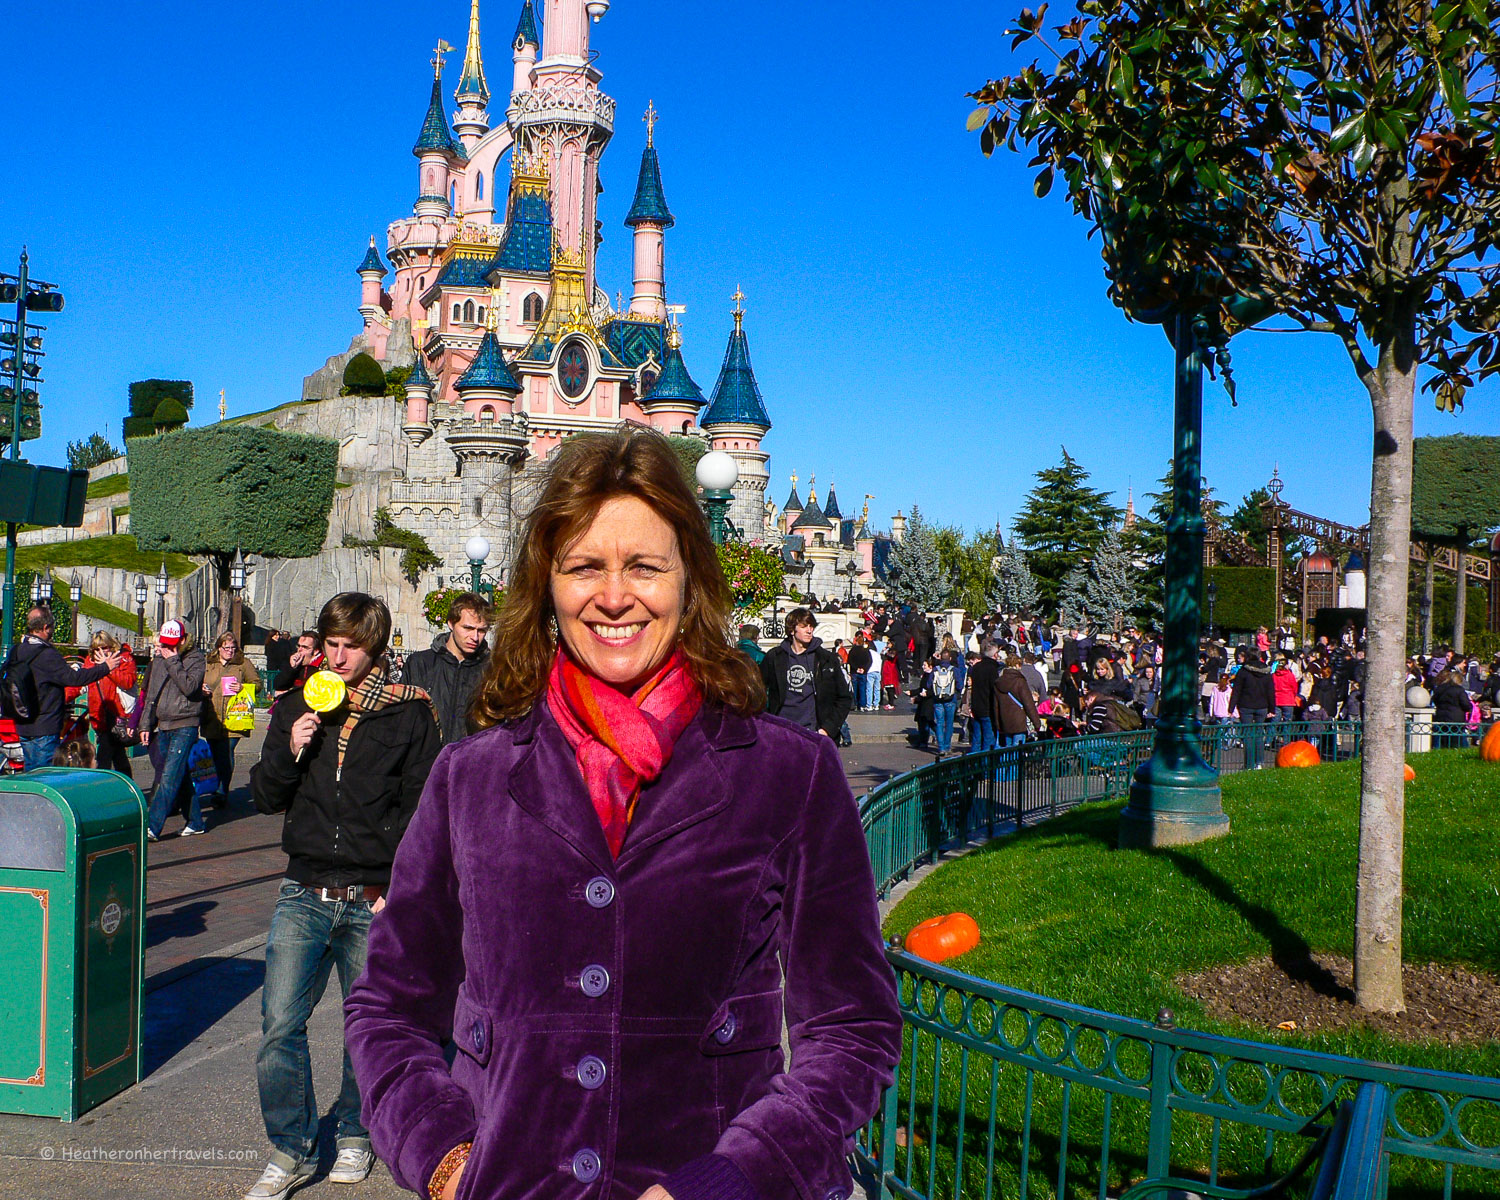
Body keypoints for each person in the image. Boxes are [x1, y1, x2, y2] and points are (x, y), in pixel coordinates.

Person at [343, 429, 900, 1200]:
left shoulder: (788, 774)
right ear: (547, 586)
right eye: (583, 567)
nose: (613, 596)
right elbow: (389, 1005)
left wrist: (730, 1180)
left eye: (644, 566)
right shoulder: (470, 778)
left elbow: (851, 1028)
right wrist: (443, 1160)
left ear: (690, 579)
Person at [245, 593, 442, 1200]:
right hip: (304, 889)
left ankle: (357, 1133)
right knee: (279, 1026)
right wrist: (290, 747)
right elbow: (265, 796)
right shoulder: (299, 703)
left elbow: (421, 810)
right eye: (330, 644)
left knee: (367, 1029)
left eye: (350, 647)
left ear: (373, 648)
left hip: (371, 896)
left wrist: (398, 888)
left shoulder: (408, 714)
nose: (337, 657)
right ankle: (291, 1146)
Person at [5, 607, 122, 771]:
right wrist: (105, 667)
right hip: (44, 726)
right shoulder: (46, 654)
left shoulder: (17, 650)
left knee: (30, 772)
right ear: (46, 627)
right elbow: (74, 679)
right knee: (45, 775)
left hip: (23, 723)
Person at [140, 620, 208, 839]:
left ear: (184, 639)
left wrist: (173, 661)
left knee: (168, 776)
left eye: (172, 643)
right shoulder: (159, 659)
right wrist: (145, 724)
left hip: (185, 723)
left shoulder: (196, 659)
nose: (168, 648)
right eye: (165, 643)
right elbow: (151, 694)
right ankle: (196, 821)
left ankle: (152, 826)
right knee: (180, 774)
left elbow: (189, 687)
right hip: (164, 723)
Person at [401, 592, 493, 745]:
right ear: (451, 623)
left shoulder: (492, 670)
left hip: (471, 756)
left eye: (481, 630)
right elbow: (402, 720)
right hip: (426, 757)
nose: (475, 637)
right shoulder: (419, 664)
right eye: (468, 628)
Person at [759, 607, 854, 739]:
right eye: (804, 626)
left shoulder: (826, 659)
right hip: (780, 732)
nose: (809, 630)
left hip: (813, 733)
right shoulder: (775, 657)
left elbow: (844, 697)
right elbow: (758, 690)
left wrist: (827, 729)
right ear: (792, 630)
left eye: (811, 626)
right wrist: (766, 723)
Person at [201, 631, 261, 804]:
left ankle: (222, 791)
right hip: (212, 715)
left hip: (235, 715)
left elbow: (257, 684)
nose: (230, 651)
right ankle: (216, 784)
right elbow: (197, 681)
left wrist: (242, 687)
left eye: (233, 648)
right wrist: (201, 688)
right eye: (226, 648)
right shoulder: (208, 663)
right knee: (215, 753)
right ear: (219, 648)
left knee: (227, 751)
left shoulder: (243, 663)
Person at [75, 630, 138, 776]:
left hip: (117, 715)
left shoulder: (124, 659)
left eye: (104, 648)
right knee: (118, 756)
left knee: (104, 756)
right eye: (96, 649)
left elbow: (128, 682)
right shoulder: (90, 662)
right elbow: (81, 683)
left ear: (111, 646)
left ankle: (103, 784)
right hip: (100, 714)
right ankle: (127, 783)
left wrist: (108, 668)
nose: (101, 652)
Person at [1229, 649, 1275, 769]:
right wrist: (1272, 709)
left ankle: (1248, 764)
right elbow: (1270, 691)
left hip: (1246, 705)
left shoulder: (1243, 671)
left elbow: (1236, 691)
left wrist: (1231, 708)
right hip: (1262, 706)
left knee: (1248, 734)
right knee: (1259, 733)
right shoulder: (1266, 672)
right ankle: (1259, 762)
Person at [967, 641, 1002, 754]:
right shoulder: (992, 669)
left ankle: (973, 762)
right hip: (987, 708)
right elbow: (994, 690)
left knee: (976, 739)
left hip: (976, 706)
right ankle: (985, 764)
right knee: (988, 740)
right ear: (995, 655)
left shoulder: (976, 667)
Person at [273, 630, 323, 698]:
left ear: (316, 651)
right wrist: (292, 668)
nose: (299, 650)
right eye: (299, 646)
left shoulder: (322, 666)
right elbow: (278, 685)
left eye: (305, 647)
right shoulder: (295, 662)